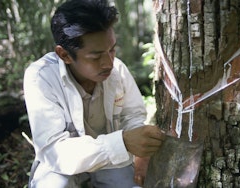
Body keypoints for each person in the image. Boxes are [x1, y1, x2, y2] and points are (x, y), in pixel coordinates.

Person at [23, 0, 166, 187]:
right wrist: (122, 142)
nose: (109, 63)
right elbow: (54, 152)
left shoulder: (118, 72)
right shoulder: (42, 78)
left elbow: (132, 117)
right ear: (64, 55)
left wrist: (142, 152)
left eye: (112, 49)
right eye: (96, 56)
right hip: (60, 167)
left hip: (112, 162)